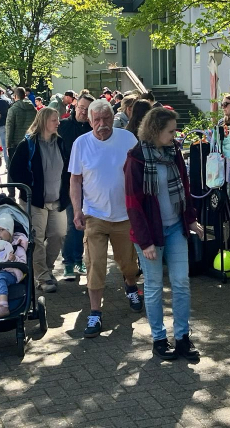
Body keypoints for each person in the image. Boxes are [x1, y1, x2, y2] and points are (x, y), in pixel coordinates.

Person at [125, 107, 204, 361]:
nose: (175, 135)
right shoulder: (136, 158)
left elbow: (185, 186)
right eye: (170, 131)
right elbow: (133, 204)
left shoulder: (174, 153)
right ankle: (159, 339)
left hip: (175, 228)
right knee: (154, 285)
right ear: (156, 130)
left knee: (181, 282)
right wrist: (145, 241)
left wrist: (191, 219)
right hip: (150, 234)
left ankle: (182, 337)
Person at [69, 98, 141, 338]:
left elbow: (140, 172)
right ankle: (95, 313)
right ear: (89, 121)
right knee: (95, 264)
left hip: (124, 215)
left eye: (106, 118)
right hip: (95, 216)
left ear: (113, 117)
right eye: (97, 119)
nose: (102, 124)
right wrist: (77, 210)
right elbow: (75, 180)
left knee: (128, 263)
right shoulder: (81, 143)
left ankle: (130, 285)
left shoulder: (128, 139)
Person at [8, 107, 68, 293]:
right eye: (53, 120)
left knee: (58, 235)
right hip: (35, 202)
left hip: (57, 200)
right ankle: (42, 277)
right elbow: (15, 171)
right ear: (43, 121)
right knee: (37, 240)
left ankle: (46, 270)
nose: (57, 122)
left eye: (57, 119)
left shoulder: (60, 142)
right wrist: (30, 188)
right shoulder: (28, 144)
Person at [59, 93, 93, 279]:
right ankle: (68, 263)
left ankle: (79, 260)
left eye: (87, 109)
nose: (83, 112)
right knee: (72, 223)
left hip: (89, 183)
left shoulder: (92, 129)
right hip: (68, 183)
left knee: (84, 225)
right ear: (75, 106)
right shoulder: (63, 126)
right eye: (81, 107)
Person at [4, 87, 37, 156]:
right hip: (31, 141)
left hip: (16, 143)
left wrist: (8, 145)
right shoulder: (33, 109)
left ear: (15, 96)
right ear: (25, 95)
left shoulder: (13, 109)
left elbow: (9, 127)